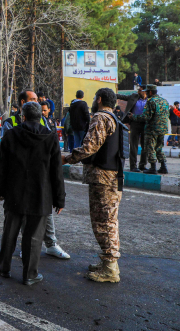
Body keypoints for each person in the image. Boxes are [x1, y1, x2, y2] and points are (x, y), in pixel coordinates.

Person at [0, 102, 65, 286]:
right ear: (41, 116)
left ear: (22, 116)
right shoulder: (50, 137)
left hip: (14, 193)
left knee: (9, 232)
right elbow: (56, 171)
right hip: (40, 196)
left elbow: (2, 167)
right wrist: (60, 199)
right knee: (34, 237)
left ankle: (4, 267)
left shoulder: (10, 135)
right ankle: (29, 275)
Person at [64, 88, 124, 282]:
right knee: (108, 220)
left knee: (102, 222)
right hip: (113, 177)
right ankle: (109, 262)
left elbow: (90, 147)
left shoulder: (100, 117)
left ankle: (110, 268)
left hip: (102, 178)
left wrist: (67, 158)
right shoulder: (114, 118)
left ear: (99, 99)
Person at [129, 84, 170, 174]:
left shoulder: (151, 101)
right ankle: (163, 166)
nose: (146, 94)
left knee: (150, 148)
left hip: (152, 129)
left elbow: (145, 117)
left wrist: (133, 117)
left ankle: (153, 167)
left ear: (150, 92)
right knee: (159, 148)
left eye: (147, 92)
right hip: (162, 129)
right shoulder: (164, 101)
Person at [117, 86, 148, 171]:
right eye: (138, 90)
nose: (138, 91)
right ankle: (133, 166)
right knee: (134, 145)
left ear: (145, 91)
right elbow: (122, 97)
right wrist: (112, 95)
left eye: (140, 90)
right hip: (134, 123)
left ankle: (142, 165)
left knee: (145, 146)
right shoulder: (134, 96)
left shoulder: (150, 100)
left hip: (146, 124)